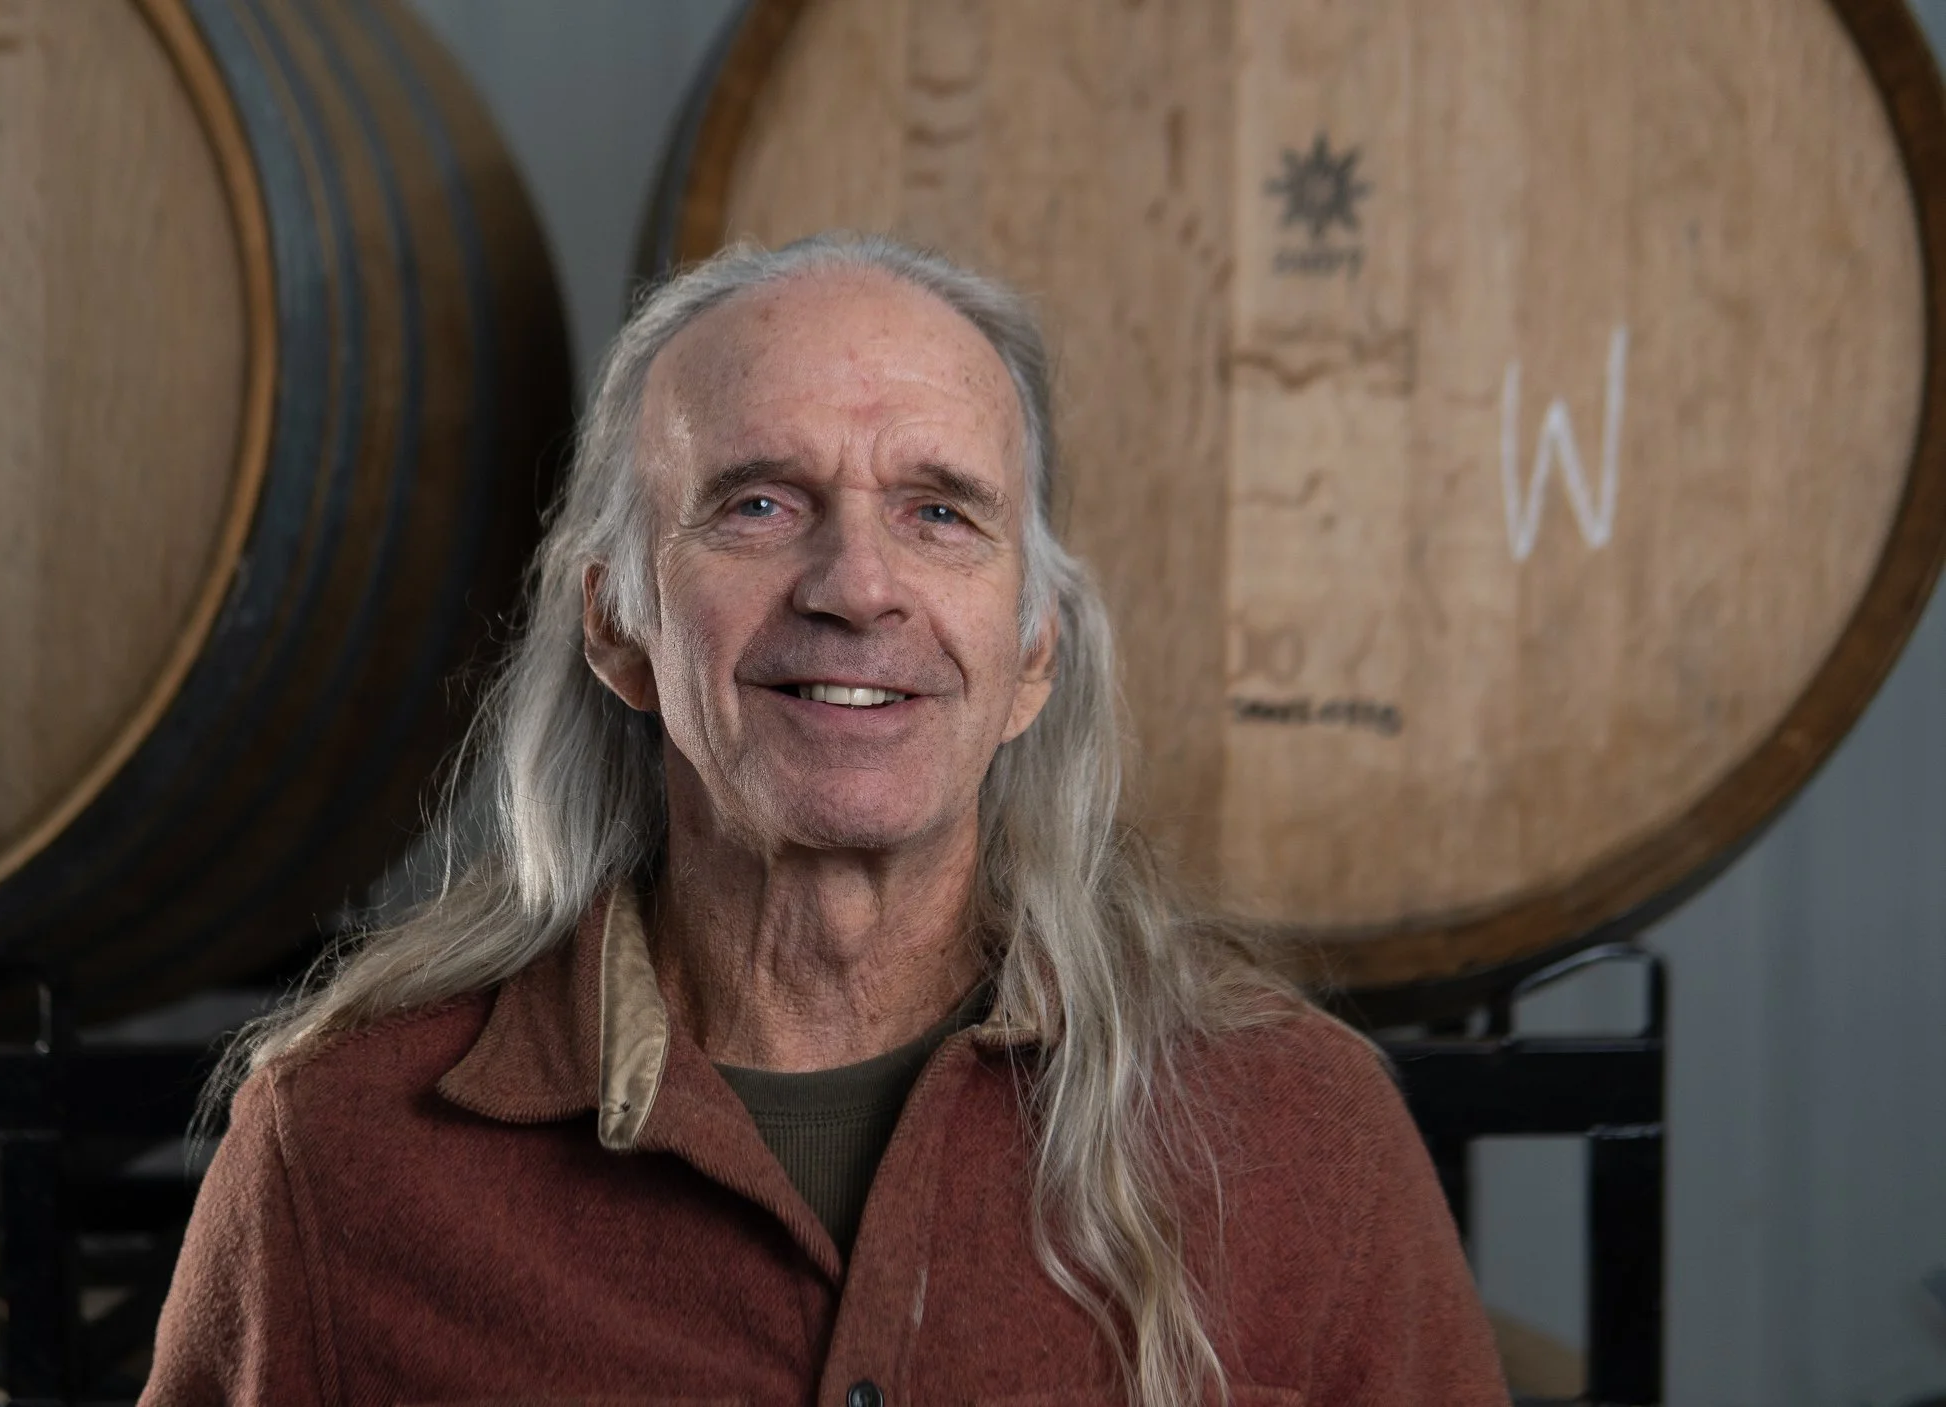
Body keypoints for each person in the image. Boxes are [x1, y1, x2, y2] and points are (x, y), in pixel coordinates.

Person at [142, 234, 1507, 1406]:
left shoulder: (1298, 1134)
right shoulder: (345, 1150)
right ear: (618, 626)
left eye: (940, 513)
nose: (858, 585)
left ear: (1032, 652)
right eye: (758, 504)